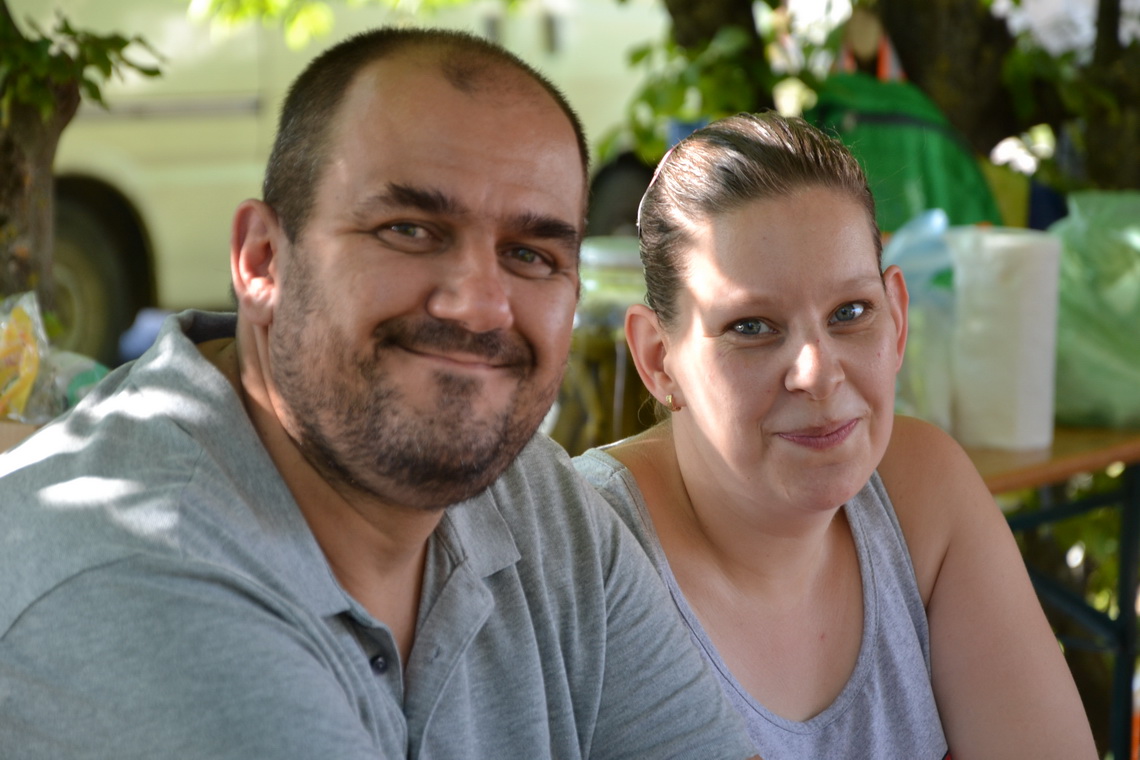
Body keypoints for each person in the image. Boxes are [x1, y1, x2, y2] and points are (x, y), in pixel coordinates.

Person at [0, 28, 759, 760]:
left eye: (530, 254)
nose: (479, 305)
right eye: (409, 230)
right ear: (262, 262)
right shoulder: (132, 574)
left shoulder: (535, 503)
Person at [573, 111, 1097, 759]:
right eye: (751, 327)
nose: (818, 373)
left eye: (850, 312)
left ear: (896, 320)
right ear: (658, 360)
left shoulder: (922, 492)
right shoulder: (584, 549)